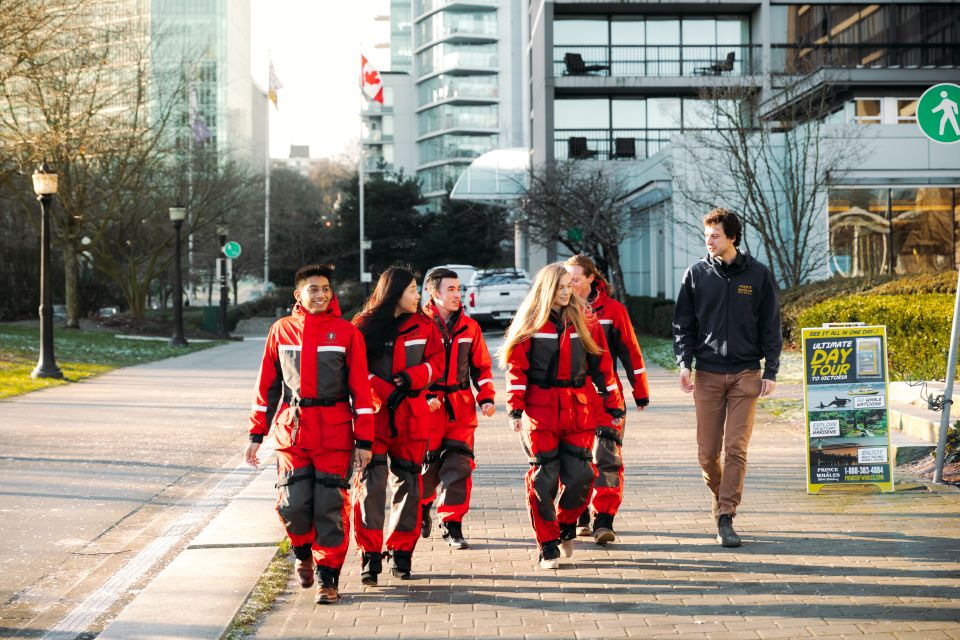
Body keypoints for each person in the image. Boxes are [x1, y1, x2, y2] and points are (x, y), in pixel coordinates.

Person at [245, 264, 374, 605]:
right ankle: (302, 552)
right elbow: (267, 388)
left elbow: (361, 393)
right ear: (298, 295)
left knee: (330, 508)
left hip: (334, 433)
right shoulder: (281, 331)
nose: (321, 295)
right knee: (293, 506)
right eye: (313, 289)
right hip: (293, 432)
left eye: (326, 289)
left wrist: (364, 442)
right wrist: (256, 435)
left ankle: (327, 578)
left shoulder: (347, 334)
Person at [500, 263, 625, 569]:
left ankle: (565, 524)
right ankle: (547, 545)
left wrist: (614, 403)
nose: (567, 291)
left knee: (582, 475)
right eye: (561, 287)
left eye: (570, 285)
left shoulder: (585, 319)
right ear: (547, 289)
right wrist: (514, 407)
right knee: (543, 479)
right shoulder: (531, 322)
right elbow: (517, 370)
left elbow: (603, 366)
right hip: (540, 411)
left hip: (577, 410)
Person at [673, 208, 782, 548]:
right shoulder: (696, 274)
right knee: (707, 453)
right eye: (706, 235)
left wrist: (772, 370)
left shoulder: (759, 275)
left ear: (732, 237)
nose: (709, 241)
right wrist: (683, 363)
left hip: (746, 374)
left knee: (735, 447)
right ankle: (721, 497)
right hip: (706, 373)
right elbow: (683, 324)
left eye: (715, 235)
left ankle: (725, 516)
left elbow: (771, 325)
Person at [352, 265, 444, 583]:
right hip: (374, 419)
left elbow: (437, 364)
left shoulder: (425, 325)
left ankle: (401, 553)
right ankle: (370, 555)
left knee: (410, 486)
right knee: (371, 488)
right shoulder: (363, 325)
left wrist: (411, 378)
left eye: (417, 290)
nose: (417, 296)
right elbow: (354, 369)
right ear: (394, 293)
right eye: (412, 290)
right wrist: (385, 391)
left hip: (412, 418)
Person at [564, 255, 650, 545]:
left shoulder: (613, 311)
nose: (571, 284)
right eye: (567, 279)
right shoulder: (558, 311)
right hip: (572, 399)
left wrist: (641, 392)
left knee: (608, 459)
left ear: (591, 278)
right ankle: (579, 515)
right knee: (575, 460)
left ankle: (604, 519)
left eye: (575, 278)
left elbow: (631, 354)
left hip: (606, 396)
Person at [419, 268, 496, 549]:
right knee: (429, 468)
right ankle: (423, 505)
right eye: (450, 289)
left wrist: (486, 397)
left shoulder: (470, 327)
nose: (457, 294)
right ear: (433, 292)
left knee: (460, 466)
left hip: (461, 408)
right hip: (428, 410)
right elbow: (411, 367)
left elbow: (482, 367)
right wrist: (426, 395)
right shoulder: (419, 325)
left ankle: (452, 523)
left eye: (458, 289)